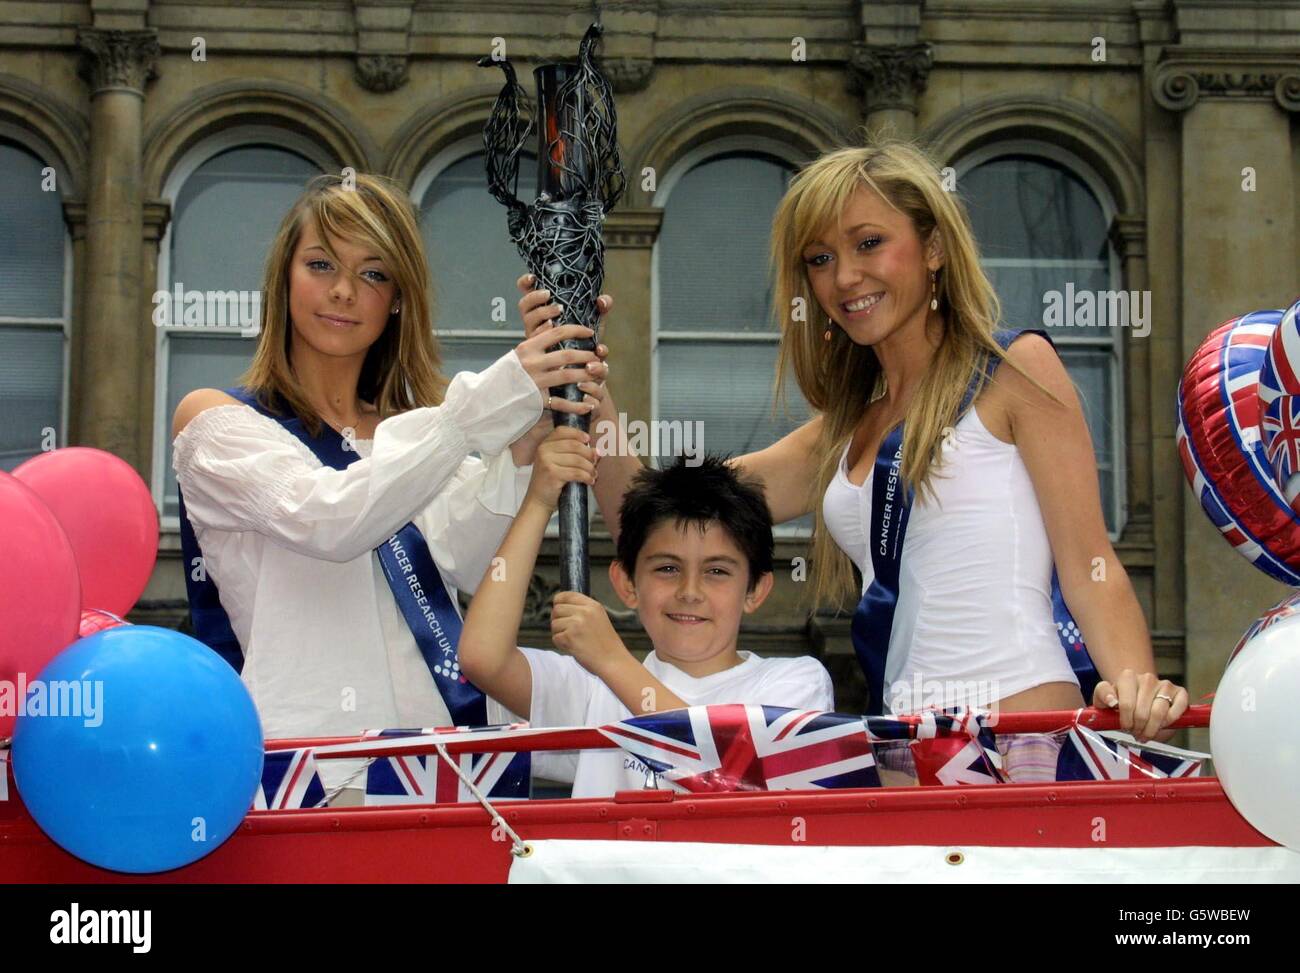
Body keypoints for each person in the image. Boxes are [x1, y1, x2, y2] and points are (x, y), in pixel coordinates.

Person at [528, 140, 1187, 780]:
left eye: (870, 243)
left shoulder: (1014, 370)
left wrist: (1135, 687)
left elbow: (1090, 565)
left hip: (1020, 741)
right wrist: (582, 360)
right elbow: (648, 516)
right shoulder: (838, 434)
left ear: (932, 247)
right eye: (820, 258)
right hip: (901, 755)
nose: (845, 276)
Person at [171, 173, 610, 798]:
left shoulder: (414, 434)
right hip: (315, 768)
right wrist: (496, 396)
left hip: (453, 760)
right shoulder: (216, 419)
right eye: (321, 264)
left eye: (373, 274)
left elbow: (463, 558)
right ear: (283, 280)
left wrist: (528, 433)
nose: (344, 291)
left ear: (398, 298)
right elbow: (331, 519)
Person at [458, 438, 835, 798]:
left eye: (717, 571)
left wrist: (612, 660)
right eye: (668, 568)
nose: (690, 591)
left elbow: (741, 774)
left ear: (755, 590)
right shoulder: (593, 687)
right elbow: (483, 657)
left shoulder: (794, 682)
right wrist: (538, 501)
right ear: (626, 583)